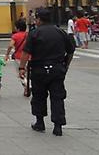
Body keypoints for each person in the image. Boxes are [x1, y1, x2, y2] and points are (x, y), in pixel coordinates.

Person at [19, 8, 75, 136]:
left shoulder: (34, 33)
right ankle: (58, 126)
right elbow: (71, 51)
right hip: (57, 69)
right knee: (57, 97)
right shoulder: (61, 32)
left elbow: (26, 53)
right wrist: (66, 65)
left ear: (39, 19)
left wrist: (22, 68)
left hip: (39, 69)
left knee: (38, 96)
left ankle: (40, 122)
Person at [5, 18, 30, 97]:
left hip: (19, 58)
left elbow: (10, 46)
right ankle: (27, 89)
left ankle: (27, 86)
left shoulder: (15, 36)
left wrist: (7, 54)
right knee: (28, 73)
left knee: (21, 74)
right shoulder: (29, 35)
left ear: (18, 28)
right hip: (30, 57)